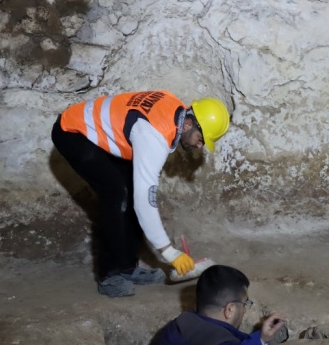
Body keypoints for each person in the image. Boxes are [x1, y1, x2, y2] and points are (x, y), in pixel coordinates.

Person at [51, 91, 231, 297]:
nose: (200, 146)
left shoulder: (176, 111)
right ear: (189, 124)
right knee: (116, 193)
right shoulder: (153, 136)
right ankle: (108, 275)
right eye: (201, 139)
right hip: (73, 131)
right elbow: (145, 201)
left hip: (99, 129)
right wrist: (169, 252)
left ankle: (127, 267)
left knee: (130, 190)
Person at [150, 265, 286, 345]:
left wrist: (261, 339)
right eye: (245, 303)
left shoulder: (173, 328)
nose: (245, 310)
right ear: (230, 309)